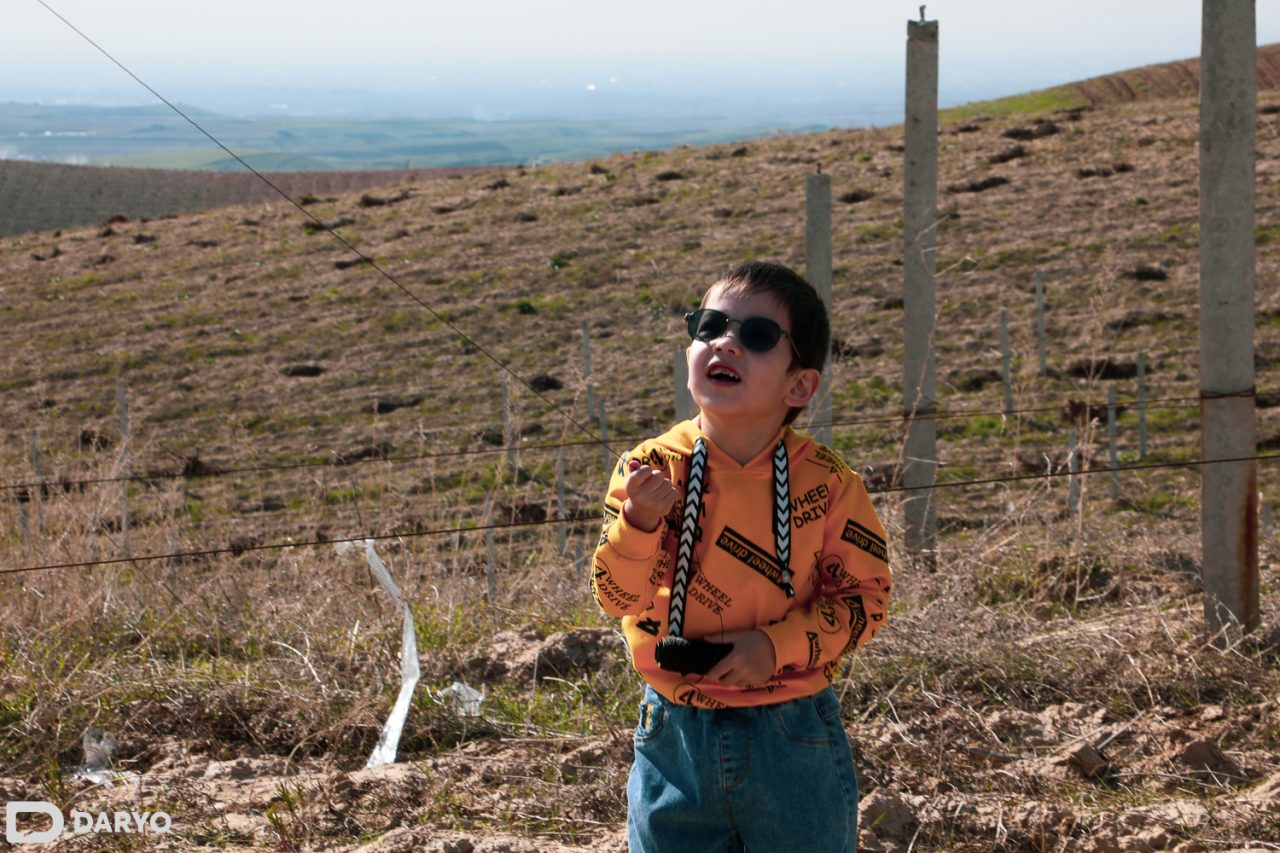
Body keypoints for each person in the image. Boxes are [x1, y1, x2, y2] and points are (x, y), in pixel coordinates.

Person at [591, 261, 893, 852]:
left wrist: (774, 648)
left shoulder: (828, 485)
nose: (724, 342)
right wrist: (638, 523)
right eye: (709, 326)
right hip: (674, 733)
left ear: (800, 386)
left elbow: (867, 600)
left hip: (794, 732)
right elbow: (615, 598)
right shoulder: (648, 468)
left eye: (756, 336)